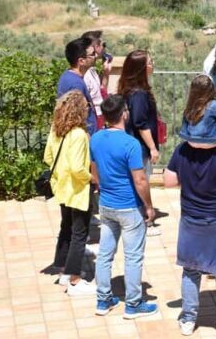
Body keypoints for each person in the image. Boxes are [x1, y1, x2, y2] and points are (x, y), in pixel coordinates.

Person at [164, 106, 216, 337]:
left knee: (191, 271)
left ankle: (188, 320)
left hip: (191, 220)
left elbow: (169, 180)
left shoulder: (182, 150)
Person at [90, 95, 158, 318]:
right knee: (133, 256)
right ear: (124, 114)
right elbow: (140, 180)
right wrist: (148, 206)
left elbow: (94, 170)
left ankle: (103, 299)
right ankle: (133, 303)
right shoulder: (131, 144)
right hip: (129, 207)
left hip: (107, 204)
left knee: (105, 254)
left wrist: (101, 187)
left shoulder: (96, 139)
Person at [45, 91, 95, 296]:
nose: (88, 109)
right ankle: (75, 279)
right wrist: (91, 178)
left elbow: (48, 156)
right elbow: (77, 168)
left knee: (66, 227)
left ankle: (63, 269)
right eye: (86, 106)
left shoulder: (56, 130)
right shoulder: (79, 135)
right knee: (79, 233)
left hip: (62, 187)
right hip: (78, 189)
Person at [117, 50, 161, 236]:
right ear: (142, 68)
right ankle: (144, 220)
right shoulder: (140, 94)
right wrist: (152, 148)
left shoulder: (128, 90)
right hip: (140, 147)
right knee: (141, 181)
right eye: (150, 62)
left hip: (131, 144)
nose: (153, 64)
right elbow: (140, 123)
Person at [57, 37, 97, 135]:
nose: (96, 56)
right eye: (92, 54)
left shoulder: (68, 76)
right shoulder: (76, 84)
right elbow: (77, 119)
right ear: (81, 61)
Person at [178, 74, 216, 147]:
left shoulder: (189, 106)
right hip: (210, 142)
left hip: (191, 142)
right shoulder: (215, 105)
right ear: (211, 89)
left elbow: (183, 131)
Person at [82, 30, 112, 131]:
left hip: (99, 119)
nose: (104, 48)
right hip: (92, 121)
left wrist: (106, 74)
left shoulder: (92, 70)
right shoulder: (85, 74)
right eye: (103, 44)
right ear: (96, 47)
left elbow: (101, 92)